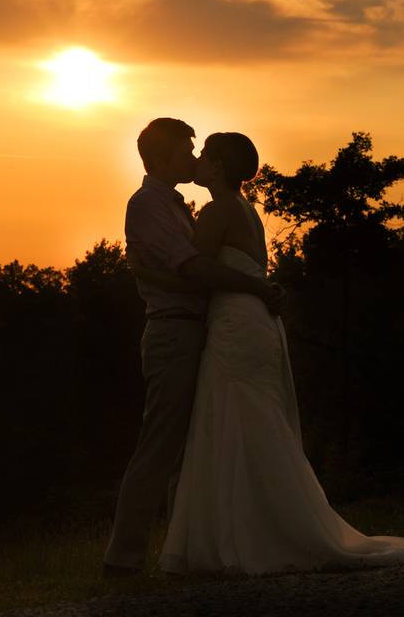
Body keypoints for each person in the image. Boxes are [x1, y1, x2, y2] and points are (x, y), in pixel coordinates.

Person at [149, 131, 404, 575]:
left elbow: (198, 274)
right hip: (256, 322)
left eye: (205, 155)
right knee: (251, 422)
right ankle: (256, 529)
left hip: (236, 325)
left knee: (234, 419)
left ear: (220, 166)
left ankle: (250, 536)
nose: (199, 161)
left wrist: (145, 272)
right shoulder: (246, 210)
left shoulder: (218, 210)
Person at [102, 119, 286, 578]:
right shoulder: (147, 204)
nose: (193, 158)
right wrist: (255, 287)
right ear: (161, 158)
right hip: (174, 332)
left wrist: (148, 273)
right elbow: (192, 269)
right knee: (160, 445)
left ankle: (184, 551)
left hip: (201, 329)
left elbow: (190, 267)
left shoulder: (185, 205)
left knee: (195, 444)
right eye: (186, 152)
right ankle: (123, 559)